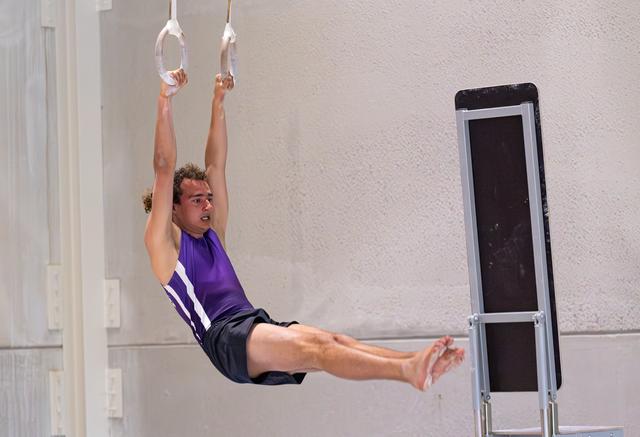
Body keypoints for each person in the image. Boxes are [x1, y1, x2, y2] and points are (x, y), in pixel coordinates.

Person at [142, 69, 465, 390]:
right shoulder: (166, 247)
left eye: (209, 199)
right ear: (172, 207)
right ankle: (408, 370)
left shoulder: (214, 235)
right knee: (321, 350)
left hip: (250, 321)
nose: (209, 206)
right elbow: (163, 166)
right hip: (225, 336)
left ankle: (411, 362)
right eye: (197, 200)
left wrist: (218, 101)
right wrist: (164, 99)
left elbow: (215, 164)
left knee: (331, 341)